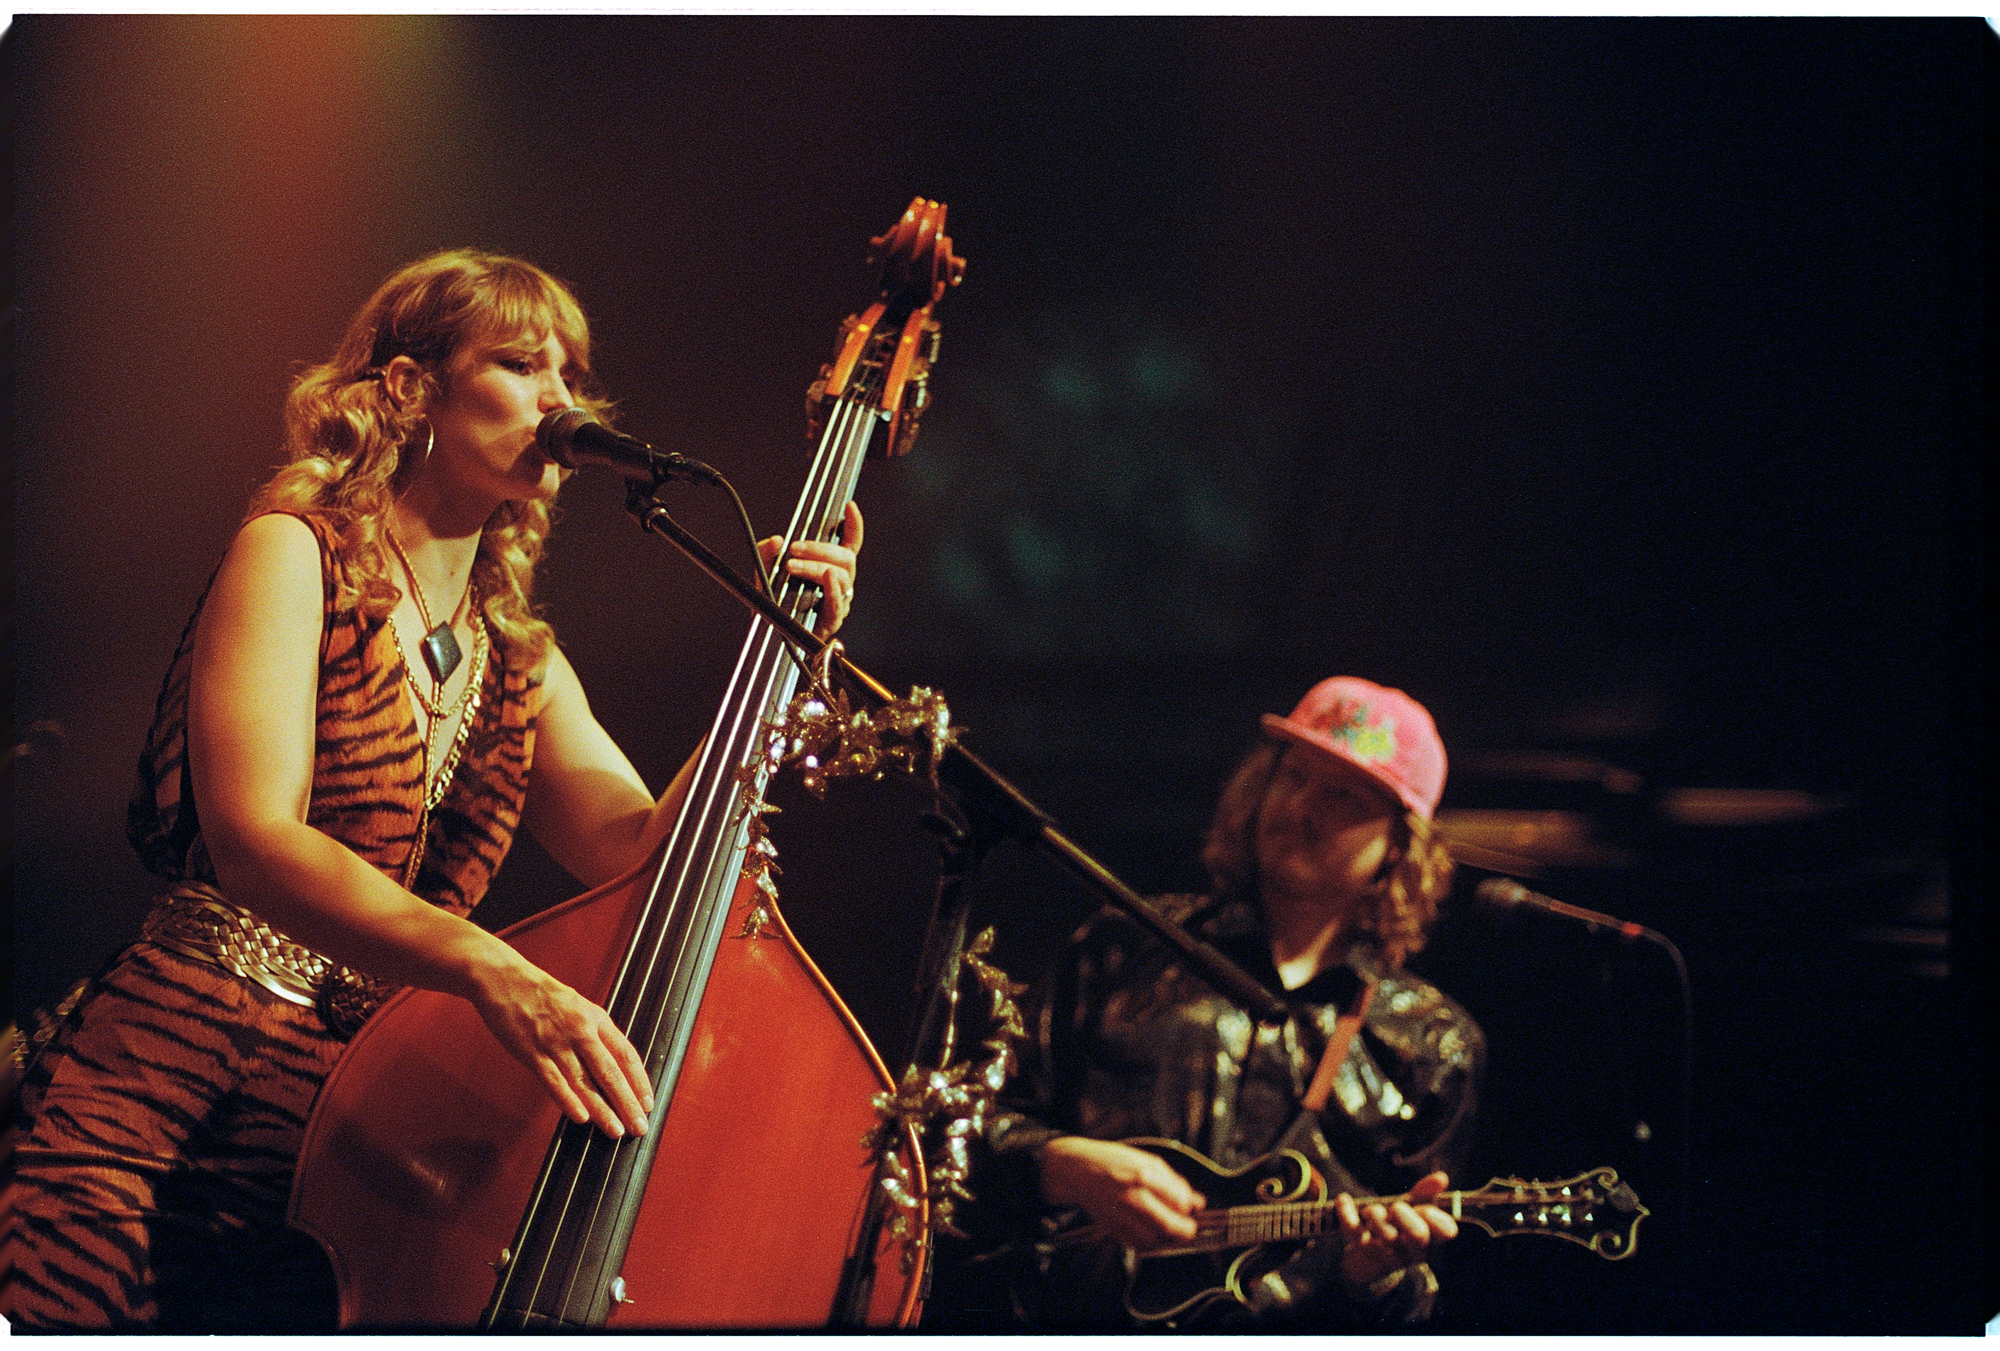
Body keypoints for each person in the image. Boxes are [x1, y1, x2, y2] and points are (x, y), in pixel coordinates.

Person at [4, 249, 863, 1332]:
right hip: (165, 1090)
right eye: (519, 362)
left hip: (345, 1133)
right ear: (410, 389)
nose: (562, 399)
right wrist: (487, 965)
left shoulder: (522, 660)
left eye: (570, 372)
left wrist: (783, 657)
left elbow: (644, 852)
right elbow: (254, 837)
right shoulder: (294, 552)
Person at [977, 677, 1482, 1330]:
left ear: (1399, 845)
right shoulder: (1127, 942)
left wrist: (1375, 1276)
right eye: (1294, 775)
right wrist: (1060, 1166)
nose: (1302, 807)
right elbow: (962, 1128)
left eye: (1344, 796)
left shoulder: (1434, 1039)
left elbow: (1421, 1303)